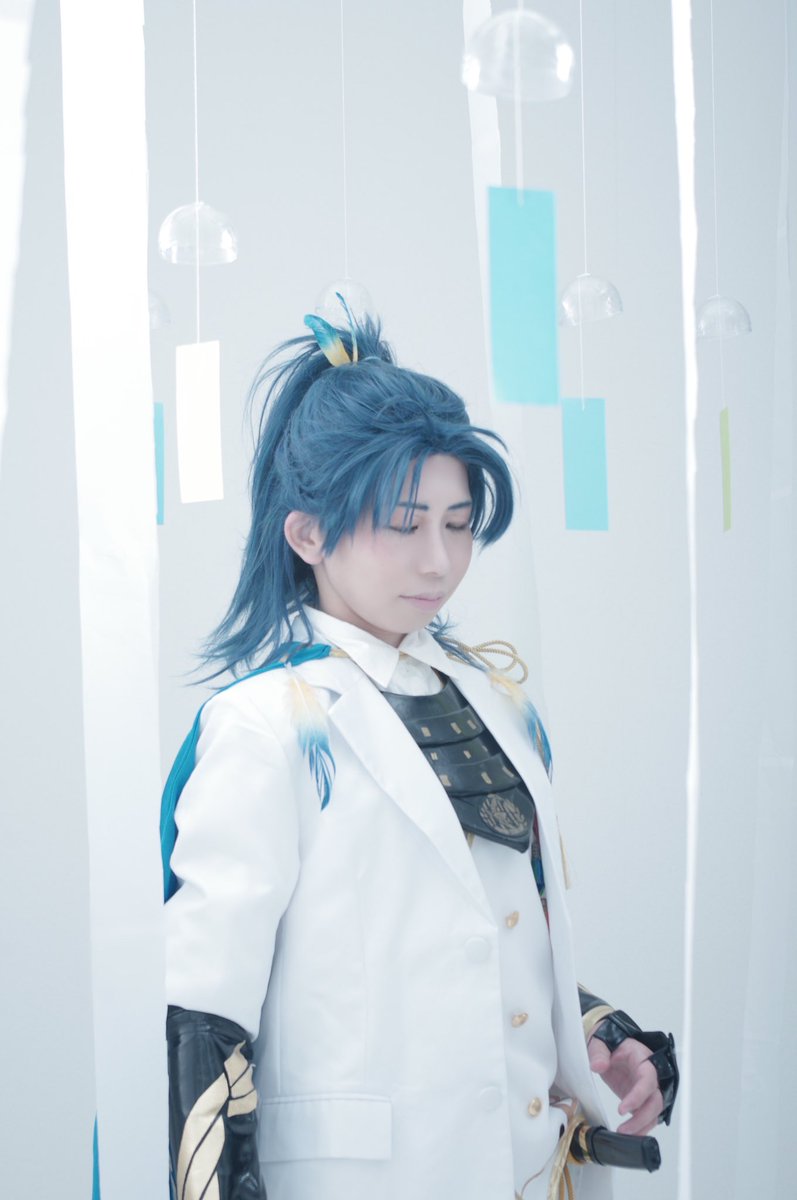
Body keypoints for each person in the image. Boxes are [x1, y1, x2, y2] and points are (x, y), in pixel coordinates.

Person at [162, 305, 677, 1200]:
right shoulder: (263, 725)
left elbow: (484, 939)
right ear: (307, 534)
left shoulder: (499, 705)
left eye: (458, 522)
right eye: (403, 524)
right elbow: (204, 1014)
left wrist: (598, 1031)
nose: (438, 561)